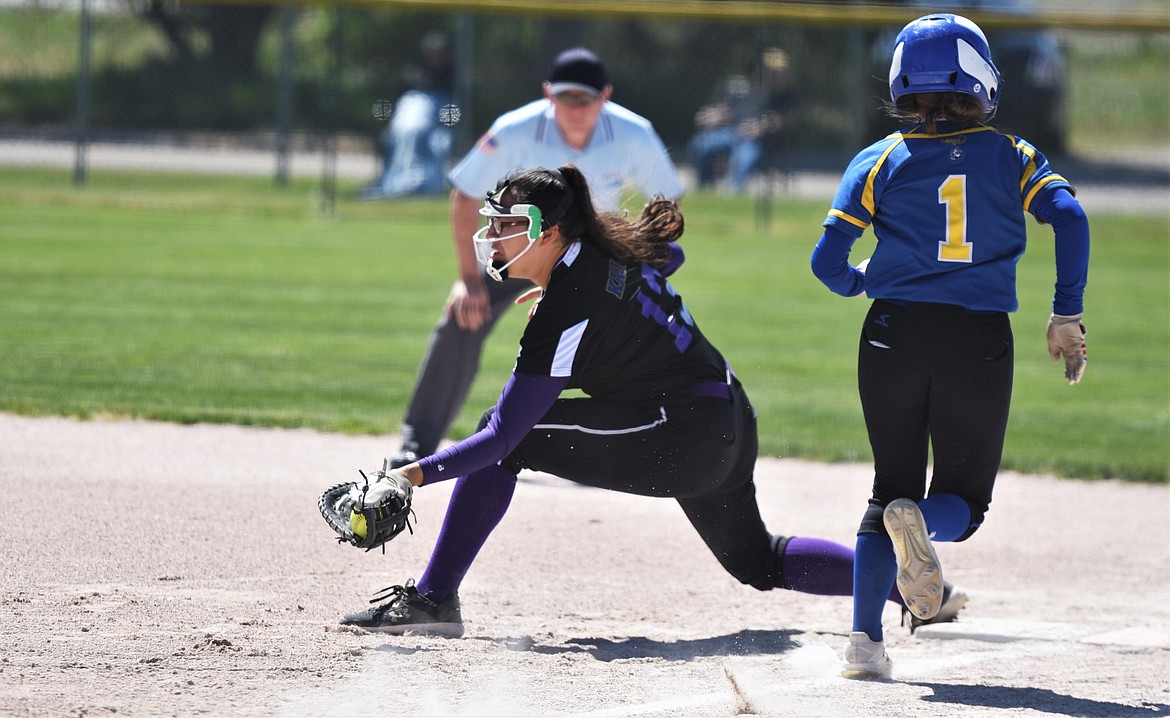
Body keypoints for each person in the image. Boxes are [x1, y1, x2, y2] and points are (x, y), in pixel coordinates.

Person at [339, 165, 962, 636]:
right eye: (494, 224)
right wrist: (593, 309)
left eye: (509, 227)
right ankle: (900, 587)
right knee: (757, 560)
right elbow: (669, 256)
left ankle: (433, 598)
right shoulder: (604, 248)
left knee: (513, 443)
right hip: (726, 415)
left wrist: (411, 475)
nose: (494, 236)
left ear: (550, 235)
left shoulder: (567, 309)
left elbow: (503, 434)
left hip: (683, 434)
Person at [810, 14, 1090, 679]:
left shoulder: (877, 158)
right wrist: (1066, 313)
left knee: (885, 493)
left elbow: (828, 261)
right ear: (982, 78)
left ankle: (863, 645)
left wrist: (858, 284)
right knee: (963, 502)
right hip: (975, 338)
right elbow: (1071, 217)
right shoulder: (1013, 154)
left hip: (890, 333)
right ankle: (924, 524)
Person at [387, 47, 684, 468]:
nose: (575, 108)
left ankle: (606, 447)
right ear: (548, 94)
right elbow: (465, 195)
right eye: (566, 97)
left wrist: (629, 267)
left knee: (620, 336)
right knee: (461, 317)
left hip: (588, 259)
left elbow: (666, 205)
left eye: (585, 99)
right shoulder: (515, 128)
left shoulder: (635, 133)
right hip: (514, 250)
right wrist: (468, 280)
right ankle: (416, 444)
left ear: (606, 97)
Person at [361, 32, 455, 199]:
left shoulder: (451, 76)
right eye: (432, 52)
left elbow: (452, 111)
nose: (435, 57)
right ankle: (394, 182)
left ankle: (421, 184)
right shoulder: (414, 72)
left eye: (439, 53)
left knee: (432, 139)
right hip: (410, 116)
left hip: (435, 121)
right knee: (398, 135)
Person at [690, 48, 794, 193]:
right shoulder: (744, 87)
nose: (773, 75)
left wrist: (761, 127)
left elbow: (786, 120)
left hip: (758, 140)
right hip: (730, 132)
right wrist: (714, 115)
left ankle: (733, 193)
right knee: (703, 144)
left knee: (745, 156)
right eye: (769, 71)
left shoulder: (784, 95)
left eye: (777, 72)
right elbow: (724, 110)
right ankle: (704, 188)